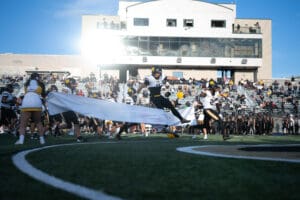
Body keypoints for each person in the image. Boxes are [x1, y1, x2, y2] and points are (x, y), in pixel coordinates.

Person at [15, 72, 46, 145]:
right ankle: (42, 140)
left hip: (26, 102)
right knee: (38, 122)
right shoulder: (41, 84)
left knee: (23, 124)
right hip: (37, 103)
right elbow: (44, 95)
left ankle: (21, 140)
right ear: (38, 77)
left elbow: (20, 95)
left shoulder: (26, 84)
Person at [59, 77, 84, 142]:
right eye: (73, 83)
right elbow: (64, 98)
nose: (75, 85)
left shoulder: (71, 89)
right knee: (76, 121)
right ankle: (79, 137)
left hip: (68, 108)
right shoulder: (66, 89)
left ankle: (57, 128)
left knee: (69, 125)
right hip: (66, 108)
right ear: (70, 84)